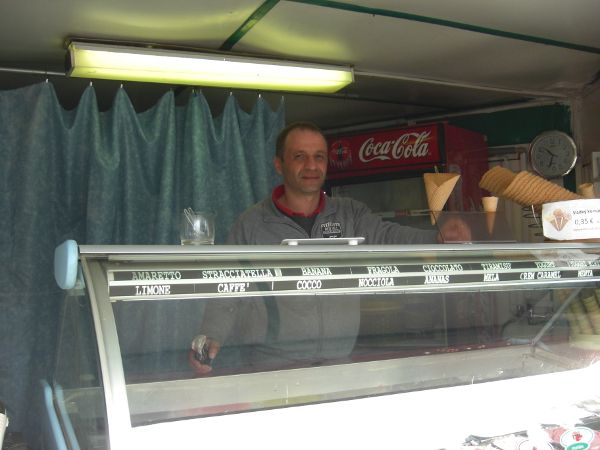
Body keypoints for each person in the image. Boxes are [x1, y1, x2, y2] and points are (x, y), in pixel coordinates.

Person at [190, 121, 471, 374]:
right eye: (299, 156)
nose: (311, 166)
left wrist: (437, 238)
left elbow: (389, 236)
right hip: (272, 366)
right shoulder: (252, 223)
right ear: (279, 164)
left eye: (319, 157)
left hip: (340, 362)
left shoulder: (350, 214)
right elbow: (227, 288)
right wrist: (210, 337)